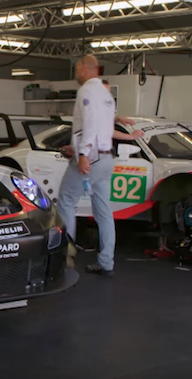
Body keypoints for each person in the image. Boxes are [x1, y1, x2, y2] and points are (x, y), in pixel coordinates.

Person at [56, 55, 118, 277]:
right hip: (106, 157)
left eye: (76, 68)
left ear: (84, 68)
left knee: (66, 201)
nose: (76, 73)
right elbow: (104, 127)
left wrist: (82, 153)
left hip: (91, 158)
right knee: (103, 211)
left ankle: (64, 258)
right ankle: (106, 262)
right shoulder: (107, 95)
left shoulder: (87, 91)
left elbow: (90, 123)